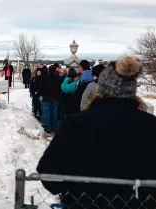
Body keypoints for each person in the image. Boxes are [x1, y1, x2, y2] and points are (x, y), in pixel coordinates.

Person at [37, 56, 156, 208]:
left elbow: (48, 173)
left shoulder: (75, 124)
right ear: (132, 90)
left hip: (83, 203)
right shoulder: (151, 126)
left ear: (102, 88)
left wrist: (70, 189)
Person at [37, 65, 61, 136]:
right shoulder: (57, 78)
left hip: (46, 98)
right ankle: (54, 127)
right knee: (54, 113)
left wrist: (39, 94)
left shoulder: (45, 77)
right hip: (55, 98)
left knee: (46, 113)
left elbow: (41, 87)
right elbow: (59, 88)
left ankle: (48, 128)